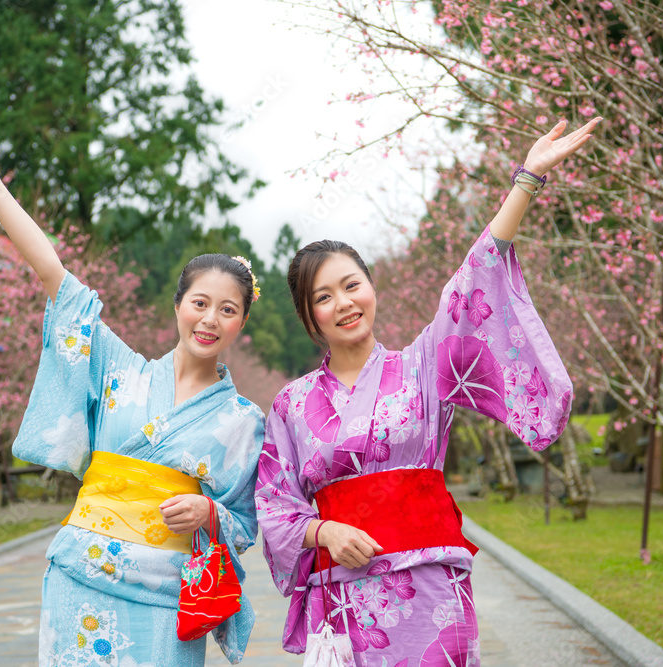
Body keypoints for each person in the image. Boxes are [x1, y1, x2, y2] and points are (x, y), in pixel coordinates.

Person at [256, 118, 601, 665]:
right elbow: (274, 507)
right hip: (346, 598)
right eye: (324, 297)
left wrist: (526, 179)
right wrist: (324, 533)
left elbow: (474, 277)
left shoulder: (424, 365)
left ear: (371, 288)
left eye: (352, 285)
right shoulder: (291, 404)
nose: (344, 303)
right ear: (308, 316)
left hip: (434, 590)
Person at [0, 121, 266, 666]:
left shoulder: (245, 420)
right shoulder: (119, 369)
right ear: (178, 305)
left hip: (167, 601)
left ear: (241, 323)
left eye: (228, 310)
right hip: (80, 576)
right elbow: (54, 275)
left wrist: (208, 511)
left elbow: (246, 522)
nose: (210, 319)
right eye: (200, 302)